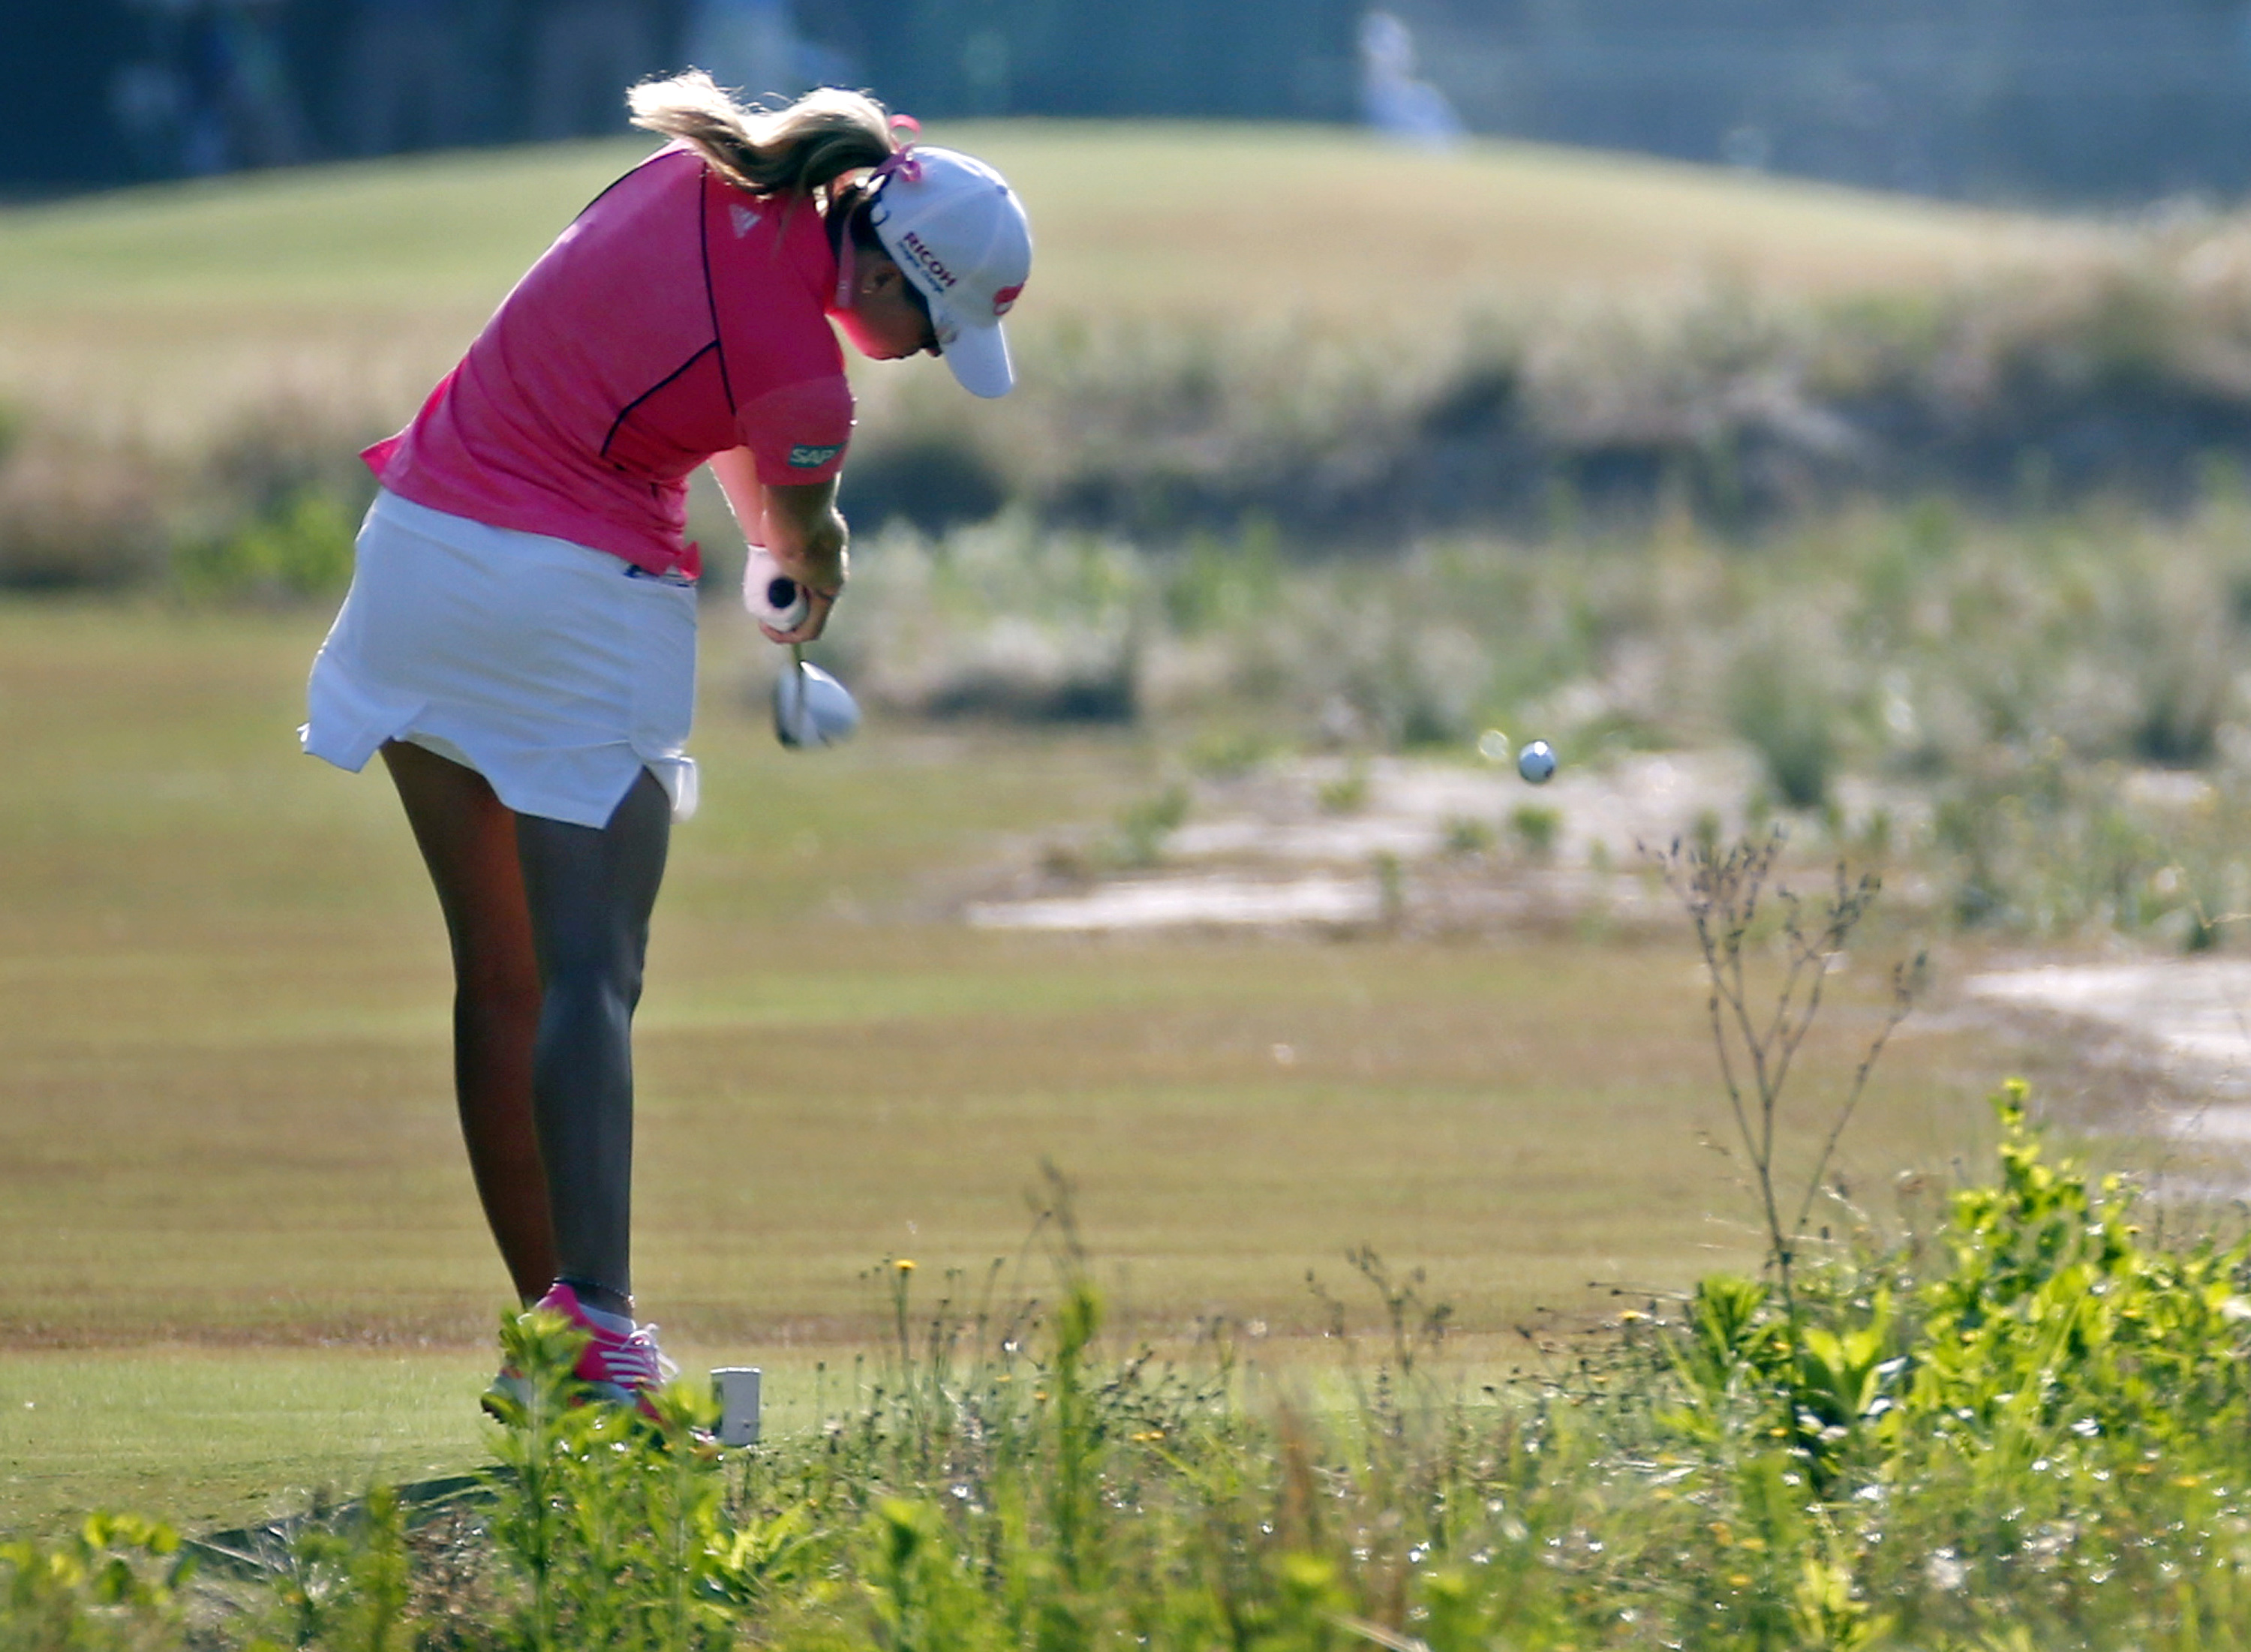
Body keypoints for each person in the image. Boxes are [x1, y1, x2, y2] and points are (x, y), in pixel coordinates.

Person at [300, 73, 1033, 1413]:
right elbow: (799, 524)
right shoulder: (816, 375)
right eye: (934, 332)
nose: (926, 352)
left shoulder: (692, 176)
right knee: (594, 973)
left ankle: (556, 1339)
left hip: (414, 558)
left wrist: (778, 542)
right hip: (570, 598)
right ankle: (609, 1335)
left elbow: (722, 430)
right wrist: (812, 567)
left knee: (502, 974)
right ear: (892, 278)